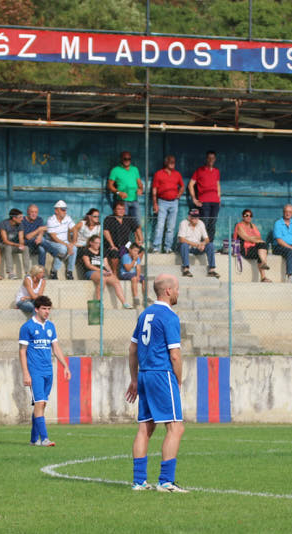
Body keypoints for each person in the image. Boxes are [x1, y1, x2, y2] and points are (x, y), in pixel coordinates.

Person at [125, 274, 185, 492]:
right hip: (162, 374)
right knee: (176, 427)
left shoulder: (145, 315)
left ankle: (139, 481)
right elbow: (175, 355)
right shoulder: (169, 317)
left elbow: (133, 349)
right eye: (177, 289)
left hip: (144, 375)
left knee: (145, 427)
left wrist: (134, 378)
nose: (178, 292)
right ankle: (166, 481)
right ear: (168, 291)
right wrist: (178, 381)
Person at [18, 294, 70, 447]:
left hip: (48, 371)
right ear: (36, 309)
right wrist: (26, 373)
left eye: (49, 309)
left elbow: (56, 347)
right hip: (35, 371)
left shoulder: (50, 326)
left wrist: (65, 366)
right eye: (44, 309)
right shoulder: (27, 327)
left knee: (41, 405)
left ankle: (34, 440)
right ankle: (45, 439)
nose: (47, 311)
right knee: (39, 403)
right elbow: (22, 351)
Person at [79, 235, 131, 308]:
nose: (98, 245)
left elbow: (106, 264)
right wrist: (101, 270)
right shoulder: (86, 251)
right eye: (96, 243)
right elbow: (88, 265)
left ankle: (124, 302)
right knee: (102, 279)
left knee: (116, 281)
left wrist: (110, 271)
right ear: (91, 243)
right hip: (91, 271)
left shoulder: (102, 251)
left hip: (103, 271)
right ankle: (99, 303)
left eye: (99, 243)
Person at [151, 155, 184, 253]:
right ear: (166, 162)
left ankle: (168, 248)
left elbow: (182, 186)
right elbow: (154, 189)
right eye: (170, 161)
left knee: (171, 227)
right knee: (160, 226)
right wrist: (155, 203)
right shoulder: (159, 174)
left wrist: (179, 194)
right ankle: (156, 247)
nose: (172, 163)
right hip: (162, 202)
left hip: (174, 202)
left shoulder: (177, 174)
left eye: (173, 161)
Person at [187, 150, 221, 243]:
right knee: (204, 224)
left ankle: (210, 245)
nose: (211, 160)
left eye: (213, 158)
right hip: (204, 202)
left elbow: (218, 185)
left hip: (215, 202)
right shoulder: (199, 170)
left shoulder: (216, 171)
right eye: (209, 158)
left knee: (212, 224)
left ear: (215, 159)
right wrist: (194, 199)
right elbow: (190, 185)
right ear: (206, 159)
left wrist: (219, 199)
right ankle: (201, 245)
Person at [103, 200, 144, 275]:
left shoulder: (128, 218)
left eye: (123, 209)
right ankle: (115, 274)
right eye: (119, 209)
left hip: (126, 244)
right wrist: (112, 245)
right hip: (113, 244)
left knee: (140, 250)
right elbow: (106, 232)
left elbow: (137, 228)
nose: (121, 211)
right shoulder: (109, 218)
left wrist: (140, 240)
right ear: (114, 210)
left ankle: (133, 268)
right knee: (114, 253)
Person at [177, 208, 219, 278]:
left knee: (210, 245)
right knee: (184, 245)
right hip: (187, 247)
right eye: (193, 217)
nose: (195, 219)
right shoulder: (183, 223)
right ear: (189, 217)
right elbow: (181, 239)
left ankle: (211, 270)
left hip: (197, 247)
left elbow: (207, 239)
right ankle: (186, 269)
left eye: (197, 217)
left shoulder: (201, 223)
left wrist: (203, 244)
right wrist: (196, 245)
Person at [233, 209, 271, 282]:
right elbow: (246, 238)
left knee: (262, 246)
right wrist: (254, 238)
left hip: (253, 247)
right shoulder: (239, 226)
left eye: (250, 216)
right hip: (245, 250)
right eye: (246, 215)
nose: (248, 217)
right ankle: (263, 272)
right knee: (261, 247)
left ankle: (263, 268)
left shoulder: (252, 225)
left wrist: (252, 238)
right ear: (243, 216)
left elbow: (259, 237)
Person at [42, 200, 75, 280]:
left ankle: (69, 271)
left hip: (64, 242)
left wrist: (72, 243)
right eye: (63, 209)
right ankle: (54, 271)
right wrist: (67, 245)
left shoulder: (68, 218)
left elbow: (74, 229)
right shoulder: (51, 220)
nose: (65, 211)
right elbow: (53, 237)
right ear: (56, 210)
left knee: (75, 248)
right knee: (62, 249)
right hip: (52, 242)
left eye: (65, 209)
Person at [0, 208, 29, 280]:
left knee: (26, 248)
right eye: (20, 217)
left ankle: (27, 273)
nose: (22, 219)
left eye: (22, 217)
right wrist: (17, 245)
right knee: (8, 247)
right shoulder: (4, 224)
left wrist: (21, 244)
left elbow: (21, 239)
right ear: (14, 218)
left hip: (12, 245)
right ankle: (10, 273)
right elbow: (5, 241)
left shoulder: (20, 224)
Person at [108, 150, 144, 220]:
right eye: (125, 159)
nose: (127, 161)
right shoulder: (115, 170)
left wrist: (141, 189)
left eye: (129, 159)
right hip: (122, 201)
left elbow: (140, 184)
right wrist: (119, 193)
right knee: (123, 223)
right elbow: (110, 186)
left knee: (137, 222)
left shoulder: (135, 169)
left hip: (134, 200)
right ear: (121, 159)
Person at [272, 204, 292, 282]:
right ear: (283, 212)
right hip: (279, 246)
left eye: (290, 212)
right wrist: (291, 248)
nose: (288, 213)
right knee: (290, 251)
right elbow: (279, 240)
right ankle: (290, 276)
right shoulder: (278, 223)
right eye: (286, 211)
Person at [20, 203, 47, 270]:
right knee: (43, 241)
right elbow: (28, 237)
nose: (34, 214)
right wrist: (38, 230)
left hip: (37, 243)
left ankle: (41, 271)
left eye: (36, 212)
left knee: (42, 249)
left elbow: (42, 230)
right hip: (27, 244)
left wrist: (40, 236)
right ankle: (55, 252)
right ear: (28, 212)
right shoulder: (22, 221)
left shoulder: (39, 219)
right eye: (32, 212)